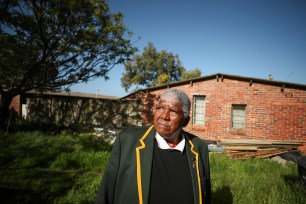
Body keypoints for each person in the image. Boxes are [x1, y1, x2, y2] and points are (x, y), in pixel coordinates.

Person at [95, 88, 211, 204]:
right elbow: (106, 191)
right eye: (160, 108)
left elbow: (205, 194)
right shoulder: (128, 141)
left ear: (185, 121)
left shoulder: (198, 148)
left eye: (173, 111)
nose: (164, 116)